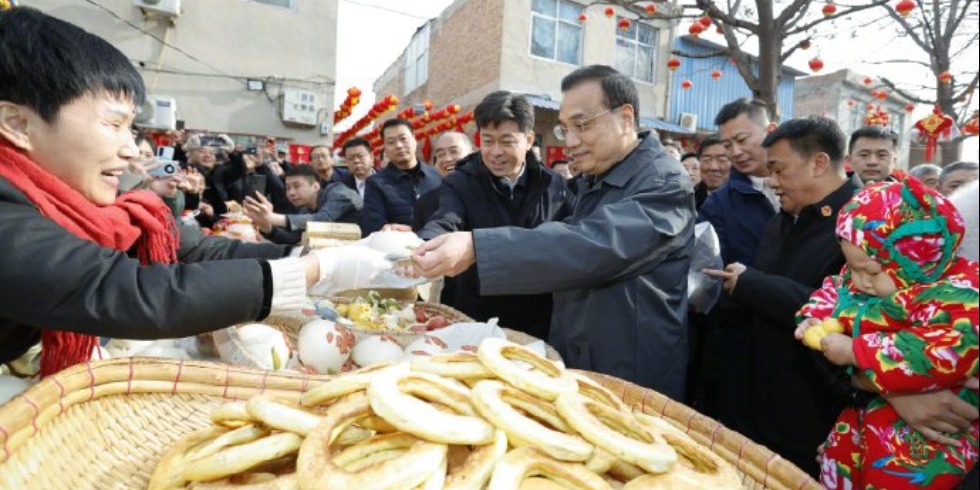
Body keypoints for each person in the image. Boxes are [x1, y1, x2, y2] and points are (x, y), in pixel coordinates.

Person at [0, 7, 389, 376]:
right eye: (113, 124)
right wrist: (315, 270)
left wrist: (320, 257)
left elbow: (199, 250)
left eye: (130, 128)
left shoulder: (95, 204)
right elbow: (127, 290)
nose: (132, 149)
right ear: (17, 123)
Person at [705, 116, 979, 477]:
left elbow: (875, 332)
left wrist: (886, 389)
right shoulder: (786, 220)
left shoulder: (878, 226)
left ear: (818, 163)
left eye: (778, 170)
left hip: (828, 416)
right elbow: (823, 307)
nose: (771, 182)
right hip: (774, 409)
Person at [412, 65, 695, 398]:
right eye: (565, 129)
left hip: (628, 373)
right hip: (576, 358)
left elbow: (594, 246)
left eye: (582, 125)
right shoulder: (596, 179)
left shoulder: (664, 184)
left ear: (626, 117)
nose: (571, 142)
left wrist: (478, 246)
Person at [796, 178, 978, 489]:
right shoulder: (869, 273)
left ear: (915, 258)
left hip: (933, 433)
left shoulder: (956, 296)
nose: (861, 281)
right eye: (853, 267)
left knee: (894, 476)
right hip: (866, 410)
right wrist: (814, 316)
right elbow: (837, 290)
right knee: (837, 464)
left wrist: (857, 352)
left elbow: (940, 352)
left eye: (871, 271)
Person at [418, 91, 574, 340]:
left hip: (537, 319)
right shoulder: (460, 182)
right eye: (488, 141)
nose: (495, 151)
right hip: (474, 318)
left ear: (529, 139)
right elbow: (445, 219)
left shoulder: (555, 187)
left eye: (507, 141)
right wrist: (424, 244)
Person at [694, 99, 778, 432]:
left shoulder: (807, 189)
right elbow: (712, 281)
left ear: (770, 130)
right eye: (728, 145)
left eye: (743, 140)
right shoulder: (719, 204)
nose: (736, 152)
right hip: (742, 342)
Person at [244, 165, 362, 245]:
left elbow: (323, 220)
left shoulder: (338, 191)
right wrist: (266, 227)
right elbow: (293, 238)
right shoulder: (306, 210)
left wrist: (272, 217)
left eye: (297, 186)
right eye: (288, 188)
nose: (291, 193)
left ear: (315, 186)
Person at [360, 118, 441, 234]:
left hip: (437, 244)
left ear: (414, 140)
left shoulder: (436, 176)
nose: (398, 146)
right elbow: (374, 225)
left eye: (403, 139)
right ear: (385, 148)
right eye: (391, 142)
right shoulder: (376, 183)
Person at [411, 131, 472, 232]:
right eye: (441, 154)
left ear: (471, 154)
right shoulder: (424, 204)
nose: (447, 159)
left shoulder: (489, 190)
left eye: (454, 151)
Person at [693, 133, 731, 210]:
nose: (713, 167)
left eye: (722, 160)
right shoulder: (689, 198)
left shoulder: (751, 200)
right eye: (706, 160)